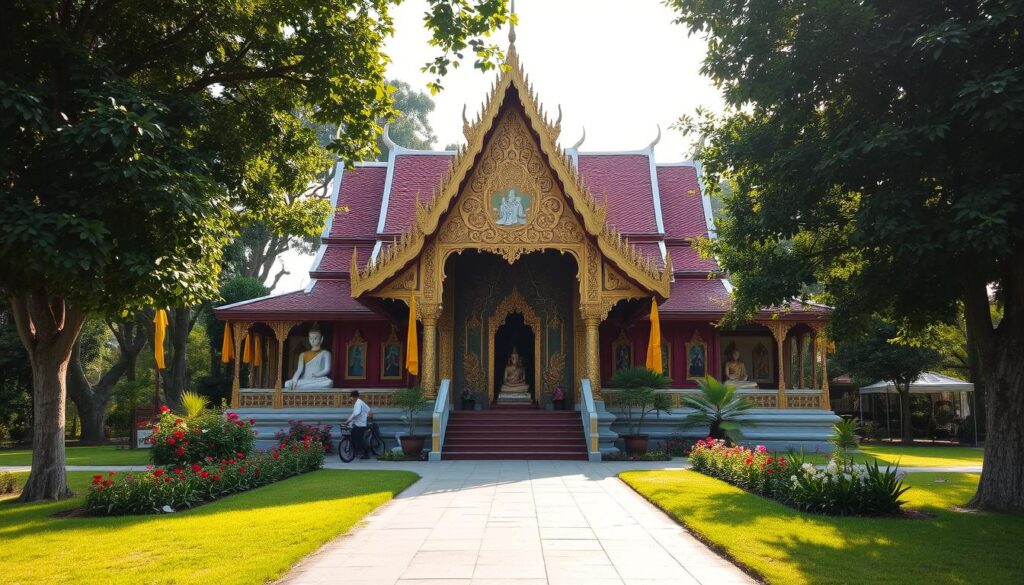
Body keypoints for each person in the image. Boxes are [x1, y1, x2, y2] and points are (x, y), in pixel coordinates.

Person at [345, 390, 371, 459]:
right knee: (355, 435)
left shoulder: (359, 403)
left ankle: (365, 452)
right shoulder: (358, 402)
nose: (350, 399)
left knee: (358, 438)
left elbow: (357, 413)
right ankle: (356, 451)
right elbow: (355, 413)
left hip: (361, 424)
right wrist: (347, 420)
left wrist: (349, 420)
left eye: (351, 397)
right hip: (359, 423)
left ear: (354, 397)